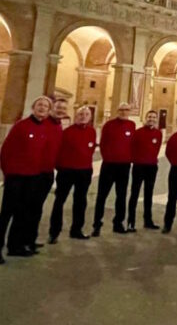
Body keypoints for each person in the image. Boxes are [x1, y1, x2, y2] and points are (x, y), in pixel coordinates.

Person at [0, 96, 51, 264]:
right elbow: (6, 151)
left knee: (22, 213)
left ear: (48, 111)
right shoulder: (21, 126)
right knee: (6, 214)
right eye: (39, 105)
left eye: (45, 106)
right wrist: (7, 172)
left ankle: (14, 246)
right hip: (16, 177)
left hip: (32, 177)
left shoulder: (45, 128)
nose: (42, 108)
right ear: (33, 107)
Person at [48, 106, 96, 243]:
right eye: (81, 114)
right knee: (60, 200)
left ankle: (76, 229)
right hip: (66, 171)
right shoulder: (67, 132)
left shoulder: (91, 131)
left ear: (90, 117)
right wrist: (60, 167)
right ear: (76, 115)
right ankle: (54, 232)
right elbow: (58, 150)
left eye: (86, 114)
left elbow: (91, 149)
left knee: (80, 201)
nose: (83, 116)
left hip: (84, 171)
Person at [28, 98, 66, 250]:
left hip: (48, 172)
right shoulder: (44, 123)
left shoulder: (59, 125)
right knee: (29, 208)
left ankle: (30, 239)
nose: (61, 110)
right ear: (52, 109)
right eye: (58, 107)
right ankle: (22, 241)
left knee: (37, 208)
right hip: (35, 172)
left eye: (63, 108)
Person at [92, 103, 135, 237]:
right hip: (109, 166)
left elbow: (133, 144)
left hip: (124, 166)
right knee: (102, 196)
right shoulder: (109, 125)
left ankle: (118, 223)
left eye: (126, 110)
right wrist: (108, 158)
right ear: (117, 111)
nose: (124, 112)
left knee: (121, 196)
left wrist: (129, 158)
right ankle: (97, 224)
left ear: (129, 112)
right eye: (121, 110)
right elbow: (103, 144)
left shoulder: (131, 125)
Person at [127, 110, 163, 231]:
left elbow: (157, 148)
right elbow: (132, 147)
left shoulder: (158, 133)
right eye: (149, 117)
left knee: (149, 194)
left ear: (156, 119)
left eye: (154, 117)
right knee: (135, 194)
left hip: (151, 167)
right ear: (145, 118)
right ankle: (130, 222)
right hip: (139, 166)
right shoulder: (138, 133)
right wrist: (136, 160)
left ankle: (148, 220)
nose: (151, 119)